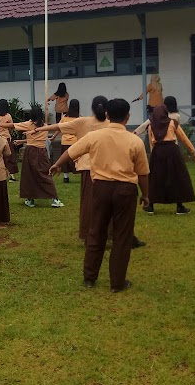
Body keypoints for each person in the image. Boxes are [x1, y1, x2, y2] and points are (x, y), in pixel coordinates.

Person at [50, 99, 150, 292]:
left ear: (107, 115)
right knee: (122, 236)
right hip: (125, 191)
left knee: (96, 231)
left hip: (101, 189)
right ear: (127, 117)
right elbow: (143, 173)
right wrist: (146, 195)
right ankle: (117, 283)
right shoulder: (135, 141)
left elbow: (71, 152)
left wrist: (57, 164)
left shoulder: (95, 136)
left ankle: (89, 277)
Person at [37, 96, 110, 239]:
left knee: (89, 203)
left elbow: (58, 127)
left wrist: (40, 129)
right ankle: (109, 233)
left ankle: (89, 234)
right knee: (107, 203)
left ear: (92, 109)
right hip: (108, 169)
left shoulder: (83, 122)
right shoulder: (111, 125)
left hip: (89, 169)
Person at [0, 108, 63, 208]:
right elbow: (39, 138)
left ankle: (31, 199)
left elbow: (12, 125)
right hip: (42, 152)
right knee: (44, 174)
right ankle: (52, 199)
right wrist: (22, 141)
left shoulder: (29, 124)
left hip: (31, 151)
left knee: (29, 175)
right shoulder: (45, 126)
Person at [143, 104, 195, 215]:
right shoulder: (172, 123)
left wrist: (154, 154)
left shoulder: (151, 126)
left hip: (158, 151)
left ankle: (150, 205)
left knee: (155, 178)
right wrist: (193, 152)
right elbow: (183, 137)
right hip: (172, 151)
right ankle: (179, 206)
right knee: (177, 177)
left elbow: (151, 142)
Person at [0, 99, 18, 182]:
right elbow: (11, 126)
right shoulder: (8, 115)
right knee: (9, 157)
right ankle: (12, 176)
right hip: (6, 138)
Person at [56, 99, 82, 183]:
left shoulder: (64, 118)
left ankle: (66, 177)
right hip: (76, 142)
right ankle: (81, 174)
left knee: (65, 160)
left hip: (65, 142)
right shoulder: (80, 119)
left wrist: (53, 136)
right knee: (77, 159)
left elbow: (58, 128)